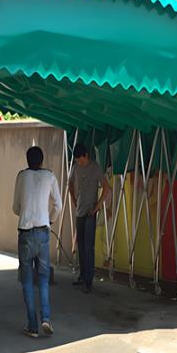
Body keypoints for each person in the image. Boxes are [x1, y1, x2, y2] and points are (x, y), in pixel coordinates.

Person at [13, 145, 62, 337]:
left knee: (27, 281)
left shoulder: (21, 176)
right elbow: (58, 205)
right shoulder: (50, 176)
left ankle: (32, 326)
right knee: (43, 279)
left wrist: (26, 212)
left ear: (27, 160)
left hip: (25, 233)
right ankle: (46, 318)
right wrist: (49, 219)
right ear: (42, 161)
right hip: (43, 232)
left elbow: (15, 207)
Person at [68, 143, 111, 294]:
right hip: (79, 211)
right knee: (80, 246)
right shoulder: (75, 168)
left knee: (88, 246)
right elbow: (70, 183)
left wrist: (97, 207)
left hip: (90, 213)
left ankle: (88, 281)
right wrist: (74, 200)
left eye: (81, 160)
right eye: (77, 161)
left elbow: (106, 187)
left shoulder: (95, 168)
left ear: (86, 155)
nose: (79, 163)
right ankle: (82, 275)